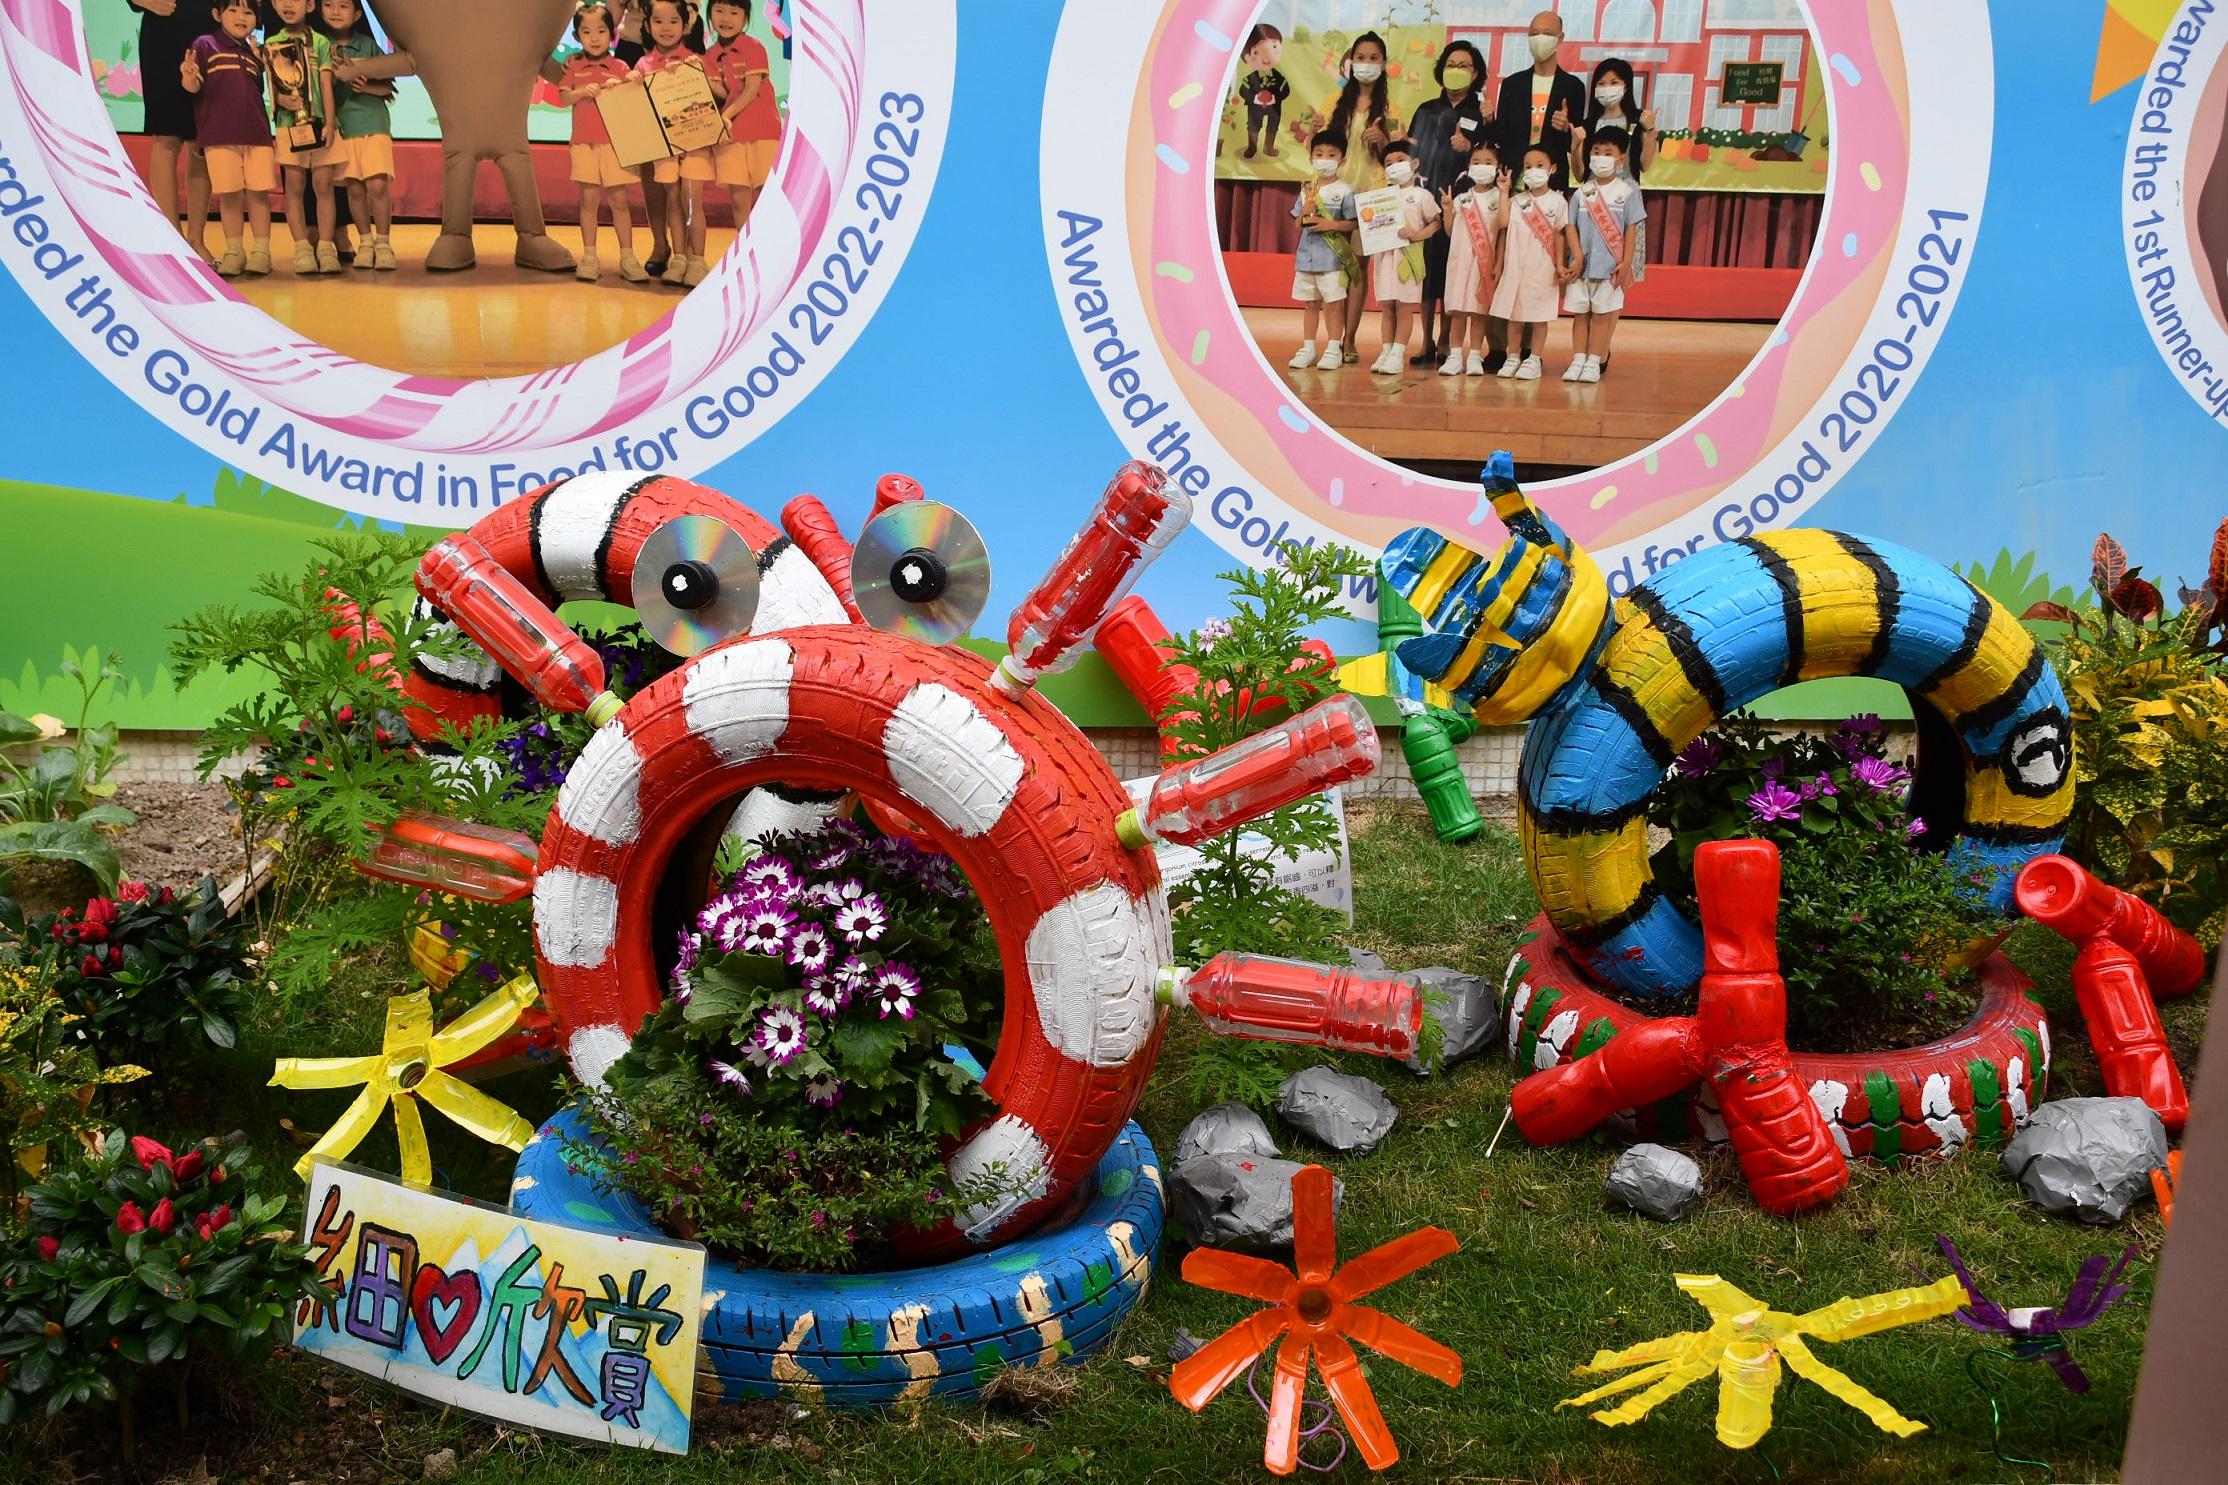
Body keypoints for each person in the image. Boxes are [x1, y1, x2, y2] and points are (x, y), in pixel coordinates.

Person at [1404, 40, 1488, 369]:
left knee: (1451, 276)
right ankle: (1425, 339)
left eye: (1464, 65)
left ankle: (1445, 340)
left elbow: (1489, 158)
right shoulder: (1425, 109)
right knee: (1427, 276)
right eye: (1451, 65)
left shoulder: (1480, 114)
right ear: (1442, 70)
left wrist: (1469, 145)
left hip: (1463, 205)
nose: (1456, 71)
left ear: (1475, 72)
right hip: (1426, 202)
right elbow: (1410, 154)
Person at [180, 0, 274, 277]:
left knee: (259, 194)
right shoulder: (205, 44)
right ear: (217, 14)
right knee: (230, 195)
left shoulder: (254, 53)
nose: (241, 17)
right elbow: (193, 86)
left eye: (248, 12)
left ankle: (261, 251)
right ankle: (234, 251)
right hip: (219, 137)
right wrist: (188, 76)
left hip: (257, 136)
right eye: (233, 10)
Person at [559, 3, 648, 282]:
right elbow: (564, 97)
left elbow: (635, 101)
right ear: (577, 37)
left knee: (619, 200)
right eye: (586, 31)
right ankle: (589, 256)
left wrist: (633, 81)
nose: (594, 37)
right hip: (584, 143)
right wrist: (581, 92)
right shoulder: (574, 65)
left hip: (614, 144)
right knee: (588, 199)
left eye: (601, 30)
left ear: (612, 34)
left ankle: (628, 258)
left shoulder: (620, 66)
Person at [1575, 55, 1657, 337]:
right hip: (1592, 204)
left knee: (1616, 276)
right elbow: (1579, 173)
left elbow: (1645, 165)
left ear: (1626, 86)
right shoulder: (1587, 123)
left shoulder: (1638, 120)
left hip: (1625, 203)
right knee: (1591, 274)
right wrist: (1576, 146)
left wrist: (1650, 132)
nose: (1606, 87)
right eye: (1600, 82)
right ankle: (1585, 347)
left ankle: (1602, 347)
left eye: (1613, 82)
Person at [129, 0, 216, 262]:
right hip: (163, 39)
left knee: (200, 143)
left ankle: (196, 240)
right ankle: (172, 240)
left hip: (210, 38)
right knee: (166, 138)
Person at [636, 0, 714, 287]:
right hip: (663, 147)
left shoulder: (695, 60)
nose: (666, 28)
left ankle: (698, 260)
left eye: (673, 22)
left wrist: (697, 73)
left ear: (686, 25)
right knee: (672, 198)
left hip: (694, 144)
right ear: (647, 25)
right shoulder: (643, 64)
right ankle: (679, 257)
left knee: (692, 200)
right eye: (658, 22)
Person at [262, 0, 339, 274]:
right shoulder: (271, 42)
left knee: (324, 184)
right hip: (287, 125)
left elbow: (326, 86)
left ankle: (327, 247)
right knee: (293, 185)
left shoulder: (320, 42)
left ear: (309, 6)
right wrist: (282, 99)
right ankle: (302, 247)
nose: (287, 4)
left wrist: (330, 121)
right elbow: (273, 87)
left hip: (319, 125)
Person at [1562, 127, 1644, 383]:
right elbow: (1570, 226)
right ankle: (1577, 359)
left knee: (1601, 317)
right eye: (1596, 152)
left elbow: (1631, 229)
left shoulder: (1627, 193)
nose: (1600, 157)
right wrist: (1576, 256)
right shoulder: (1581, 192)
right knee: (1580, 315)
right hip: (1581, 268)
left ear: (1620, 160)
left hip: (1609, 268)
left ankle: (1594, 361)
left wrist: (1627, 262)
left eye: (1608, 153)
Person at [1490, 144, 1575, 380]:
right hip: (1516, 266)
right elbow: (1503, 223)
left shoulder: (1558, 202)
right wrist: (1504, 191)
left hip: (1542, 267)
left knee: (1539, 317)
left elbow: (1560, 235)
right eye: (1528, 166)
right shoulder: (1517, 201)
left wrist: (1559, 264)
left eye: (1539, 166)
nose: (1533, 171)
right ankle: (1512, 356)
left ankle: (1534, 358)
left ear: (1552, 169)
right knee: (1515, 316)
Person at [322, 0, 395, 271]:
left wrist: (365, 85)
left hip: (374, 124)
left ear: (356, 14)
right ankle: (365, 242)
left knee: (377, 185)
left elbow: (388, 88)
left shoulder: (368, 45)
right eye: (328, 5)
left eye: (343, 6)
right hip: (345, 127)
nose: (335, 11)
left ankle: (384, 243)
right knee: (354, 188)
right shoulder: (322, 46)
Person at [704, 0, 780, 234]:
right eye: (719, 11)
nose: (726, 18)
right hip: (731, 135)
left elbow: (750, 91)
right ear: (709, 16)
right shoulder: (708, 56)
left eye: (734, 12)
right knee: (738, 199)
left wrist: (725, 115)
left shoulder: (754, 46)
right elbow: (725, 93)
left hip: (762, 131)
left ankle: (772, 244)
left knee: (766, 194)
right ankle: (745, 247)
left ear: (745, 18)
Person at [1367, 138, 1440, 376]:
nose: (1394, 166)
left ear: (1415, 163)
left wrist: (1417, 234)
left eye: (1400, 161)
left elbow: (1436, 223)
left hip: (1408, 260)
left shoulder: (1421, 195)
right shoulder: (1381, 196)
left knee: (1405, 308)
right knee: (1387, 308)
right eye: (1388, 163)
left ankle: (1398, 353)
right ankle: (1386, 350)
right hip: (1384, 259)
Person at [1286, 130, 1358, 372]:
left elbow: (1354, 222)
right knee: (1310, 304)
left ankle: (1333, 348)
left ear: (1342, 160)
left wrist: (1331, 224)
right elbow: (1297, 222)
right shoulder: (1307, 190)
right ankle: (1308, 348)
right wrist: (1306, 209)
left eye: (1331, 154)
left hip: (1333, 259)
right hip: (1306, 257)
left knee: (1334, 304)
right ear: (1311, 158)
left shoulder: (1345, 191)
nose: (1324, 159)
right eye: (1318, 154)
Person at [1492, 9, 1586, 192]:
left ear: (1560, 38)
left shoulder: (1573, 86)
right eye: (1534, 34)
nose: (1540, 38)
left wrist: (1567, 127)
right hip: (1513, 183)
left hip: (1551, 185)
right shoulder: (1512, 84)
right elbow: (1500, 135)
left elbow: (1575, 143)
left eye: (1548, 34)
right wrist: (1488, 121)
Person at [1437, 141, 1505, 377]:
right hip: (1459, 264)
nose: (1482, 167)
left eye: (1488, 162)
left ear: (1498, 167)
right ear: (1468, 166)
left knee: (1478, 312)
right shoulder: (1461, 199)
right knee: (1457, 312)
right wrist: (1447, 208)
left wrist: (1498, 264)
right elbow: (1448, 230)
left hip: (1483, 264)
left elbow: (1503, 229)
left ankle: (1475, 355)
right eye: (1476, 162)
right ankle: (1456, 356)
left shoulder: (1499, 197)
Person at [1237, 23, 1286, 159]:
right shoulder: (1250, 79)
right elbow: (1243, 90)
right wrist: (1254, 98)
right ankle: (1252, 147)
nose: (1266, 57)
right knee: (1253, 125)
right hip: (1255, 107)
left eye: (1274, 47)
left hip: (1274, 107)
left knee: (1273, 125)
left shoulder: (1279, 78)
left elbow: (1285, 89)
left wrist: (1275, 97)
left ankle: (1268, 147)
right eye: (1257, 52)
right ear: (1247, 56)